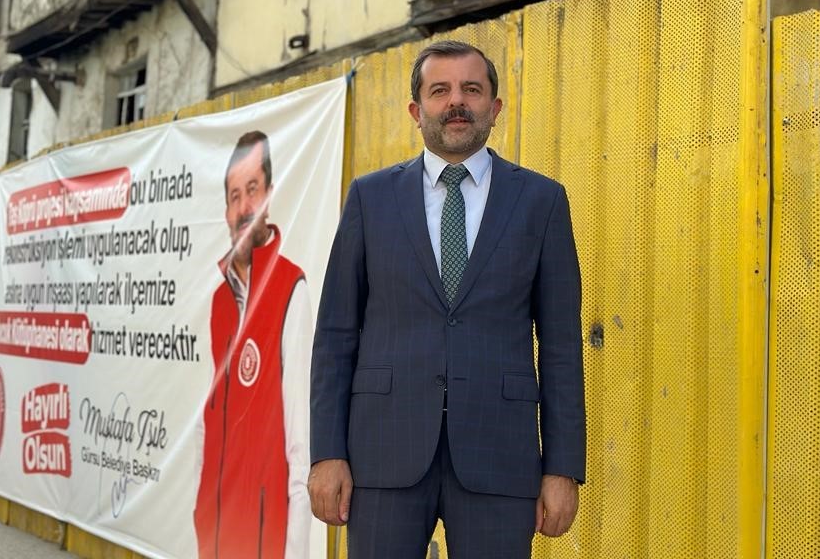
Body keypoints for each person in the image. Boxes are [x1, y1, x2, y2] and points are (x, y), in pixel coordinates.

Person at [308, 41, 586, 558]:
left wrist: (562, 468)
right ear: (417, 111)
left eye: (471, 90)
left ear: (495, 108)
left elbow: (562, 347)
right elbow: (335, 336)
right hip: (382, 453)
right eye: (440, 91)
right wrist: (326, 453)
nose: (456, 102)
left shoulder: (542, 201)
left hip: (499, 457)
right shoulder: (370, 198)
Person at [195, 131, 312, 559]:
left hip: (267, 541)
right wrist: (201, 518)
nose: (244, 206)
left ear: (269, 195)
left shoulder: (290, 288)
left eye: (252, 190)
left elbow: (301, 445)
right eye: (234, 196)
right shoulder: (218, 302)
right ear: (226, 211)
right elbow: (206, 425)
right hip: (217, 539)